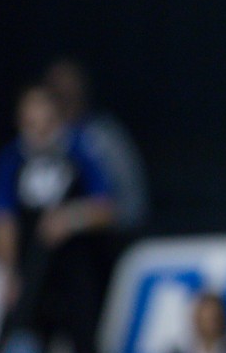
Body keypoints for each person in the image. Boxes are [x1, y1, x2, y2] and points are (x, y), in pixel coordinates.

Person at [0, 85, 116, 353]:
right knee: (28, 347)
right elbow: (3, 220)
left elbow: (106, 206)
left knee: (84, 349)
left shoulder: (78, 150)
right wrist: (8, 273)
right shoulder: (12, 159)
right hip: (35, 272)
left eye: (45, 119)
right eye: (31, 119)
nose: (39, 127)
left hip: (74, 270)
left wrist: (70, 219)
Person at [43, 57, 150, 234]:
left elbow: (130, 205)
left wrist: (73, 218)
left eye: (69, 90)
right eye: (56, 92)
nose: (64, 96)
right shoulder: (27, 145)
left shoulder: (98, 138)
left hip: (101, 243)